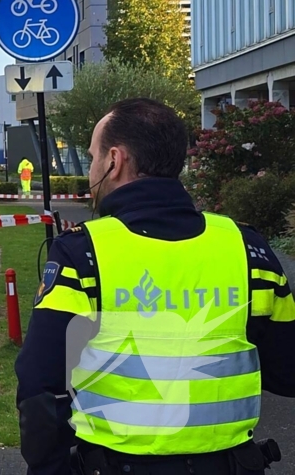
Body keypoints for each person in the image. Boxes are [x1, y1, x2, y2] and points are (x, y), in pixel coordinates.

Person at [15, 98, 294, 475]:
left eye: (94, 156)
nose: (93, 168)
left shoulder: (82, 252)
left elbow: (40, 385)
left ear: (114, 161)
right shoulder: (247, 248)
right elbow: (286, 371)